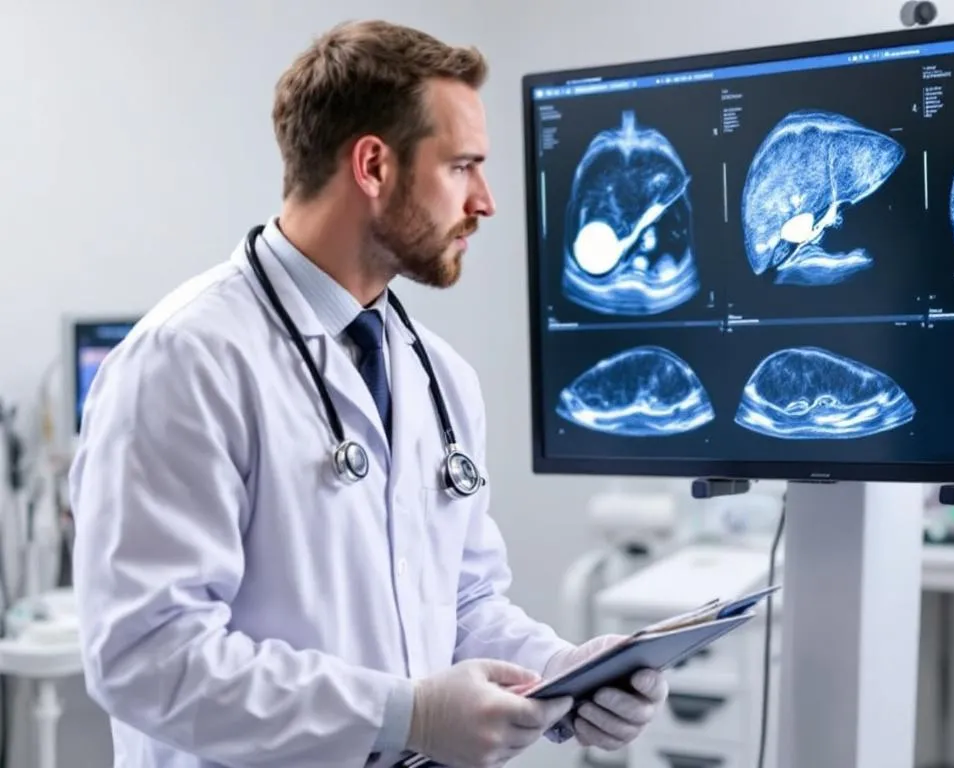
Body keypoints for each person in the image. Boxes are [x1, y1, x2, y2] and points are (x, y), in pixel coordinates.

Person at [69, 19, 668, 768]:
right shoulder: (184, 362)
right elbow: (147, 658)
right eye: (462, 167)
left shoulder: (439, 376)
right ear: (374, 166)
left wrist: (569, 673)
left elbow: (464, 602)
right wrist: (403, 715)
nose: (485, 201)